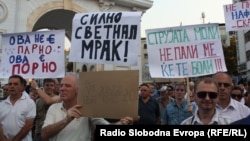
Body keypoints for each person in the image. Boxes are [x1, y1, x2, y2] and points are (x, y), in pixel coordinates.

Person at [41, 73, 133, 141]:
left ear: (78, 90)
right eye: (61, 85)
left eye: (67, 86)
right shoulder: (53, 108)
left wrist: (120, 124)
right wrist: (66, 120)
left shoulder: (88, 109)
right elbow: (44, 134)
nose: (62, 89)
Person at [0, 74, 36, 141]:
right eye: (10, 84)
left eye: (15, 84)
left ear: (22, 87)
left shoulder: (29, 103)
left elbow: (28, 126)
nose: (12, 86)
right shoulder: (1, 105)